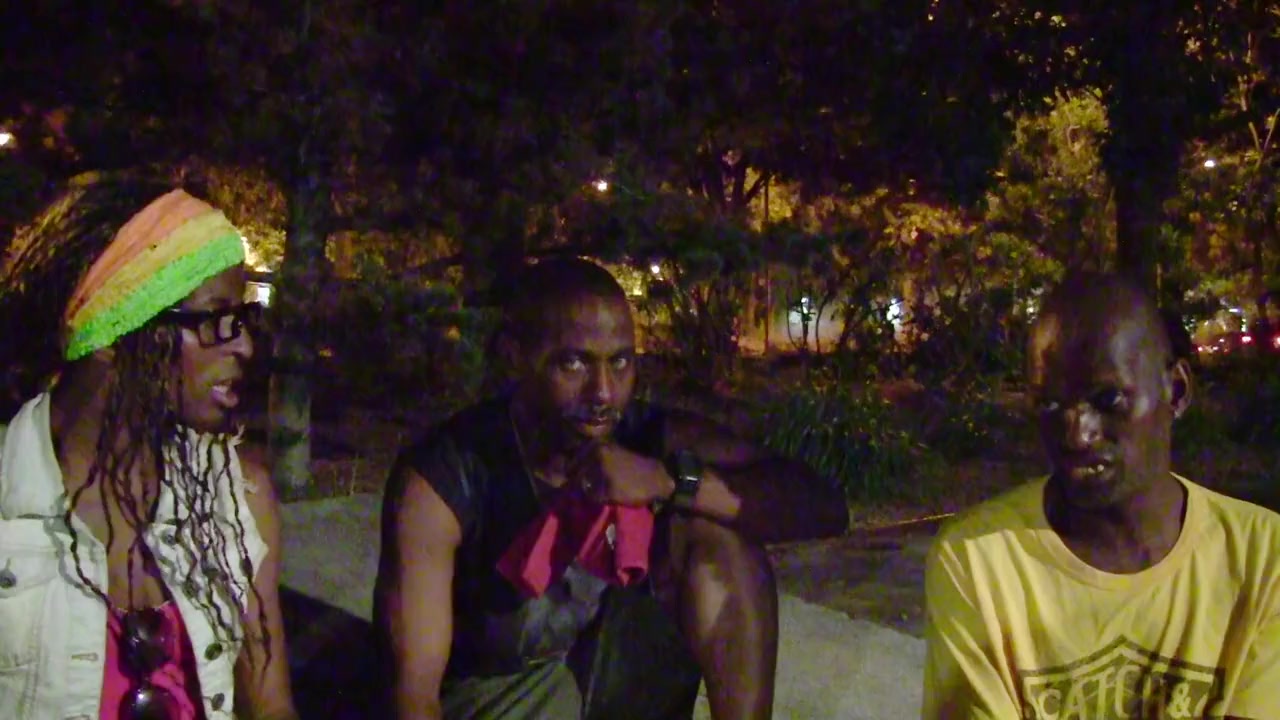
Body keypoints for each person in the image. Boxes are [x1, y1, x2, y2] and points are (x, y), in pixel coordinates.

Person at [374, 256, 848, 720]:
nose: (602, 392)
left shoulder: (648, 436)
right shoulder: (445, 479)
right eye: (574, 364)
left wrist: (670, 481)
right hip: (506, 703)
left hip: (620, 692)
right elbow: (413, 694)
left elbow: (824, 507)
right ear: (515, 358)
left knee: (719, 534)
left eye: (620, 362)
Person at [0, 173, 298, 719]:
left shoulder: (238, 501)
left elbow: (269, 706)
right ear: (112, 335)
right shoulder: (8, 508)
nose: (244, 346)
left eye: (244, 319)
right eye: (215, 320)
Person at [922, 272, 1280, 719]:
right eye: (1050, 404)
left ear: (1176, 391)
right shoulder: (978, 563)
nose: (1077, 433)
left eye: (1107, 399)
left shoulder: (1262, 558)